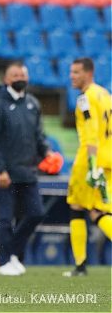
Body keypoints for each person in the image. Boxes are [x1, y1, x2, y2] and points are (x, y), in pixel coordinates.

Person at [0, 62, 49, 276]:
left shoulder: (33, 103)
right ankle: (4, 261)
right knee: (5, 218)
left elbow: (39, 136)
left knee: (36, 214)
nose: (19, 77)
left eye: (22, 74)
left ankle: (11, 253)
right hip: (6, 174)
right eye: (14, 74)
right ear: (6, 79)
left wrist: (47, 152)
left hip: (29, 172)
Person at [63, 57, 111, 277]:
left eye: (76, 72)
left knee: (82, 208)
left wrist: (92, 165)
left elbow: (90, 135)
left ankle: (80, 265)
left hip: (90, 160)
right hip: (108, 158)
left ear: (88, 73)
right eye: (71, 72)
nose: (72, 76)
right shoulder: (105, 94)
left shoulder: (85, 98)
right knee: (98, 208)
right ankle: (80, 265)